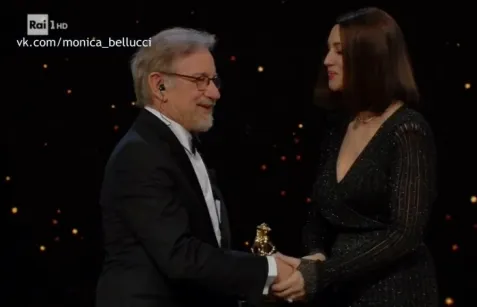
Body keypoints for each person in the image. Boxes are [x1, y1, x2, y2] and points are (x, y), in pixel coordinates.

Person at [95, 27, 294, 307]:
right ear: (159, 86)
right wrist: (269, 270)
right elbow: (180, 257)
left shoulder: (177, 147)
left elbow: (206, 248)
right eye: (200, 80)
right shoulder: (139, 154)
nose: (214, 93)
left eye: (213, 80)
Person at [271, 7, 439, 306]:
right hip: (342, 290)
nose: (327, 61)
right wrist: (314, 255)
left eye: (339, 51)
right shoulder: (339, 125)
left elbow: (405, 234)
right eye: (328, 50)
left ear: (369, 57)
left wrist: (322, 273)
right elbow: (319, 213)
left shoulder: (407, 130)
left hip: (395, 292)